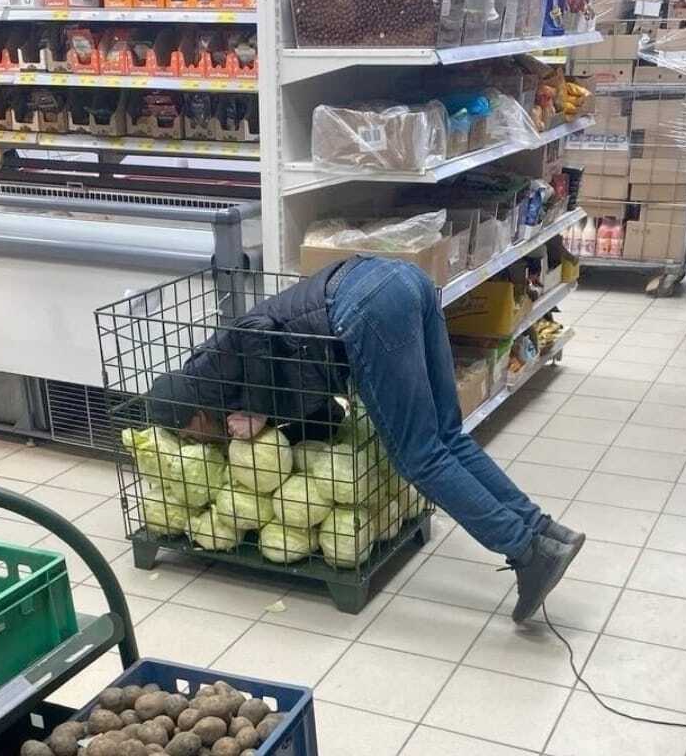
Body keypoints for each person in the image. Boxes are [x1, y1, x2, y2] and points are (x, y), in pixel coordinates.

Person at [147, 256, 585, 622]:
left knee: (420, 456)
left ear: (192, 414)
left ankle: (527, 551)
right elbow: (314, 405)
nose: (196, 441)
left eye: (188, 432)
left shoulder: (208, 371)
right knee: (445, 435)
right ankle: (545, 531)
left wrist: (258, 410)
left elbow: (254, 329)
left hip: (365, 305)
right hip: (401, 281)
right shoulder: (216, 393)